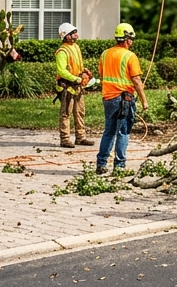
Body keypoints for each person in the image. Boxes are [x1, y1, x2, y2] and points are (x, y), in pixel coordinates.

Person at [96, 23, 146, 175]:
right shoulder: (130, 56)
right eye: (131, 39)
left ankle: (101, 164)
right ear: (127, 40)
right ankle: (119, 166)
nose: (132, 42)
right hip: (124, 99)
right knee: (123, 132)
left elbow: (102, 75)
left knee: (109, 131)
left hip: (108, 98)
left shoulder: (105, 54)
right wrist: (144, 100)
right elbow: (136, 80)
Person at [54, 23, 92, 148]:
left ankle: (80, 137)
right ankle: (65, 139)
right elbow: (62, 71)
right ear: (66, 36)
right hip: (67, 87)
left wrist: (84, 71)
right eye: (73, 33)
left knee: (80, 111)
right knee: (66, 113)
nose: (76, 35)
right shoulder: (62, 51)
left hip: (78, 86)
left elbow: (76, 65)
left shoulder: (76, 47)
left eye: (76, 32)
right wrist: (76, 78)